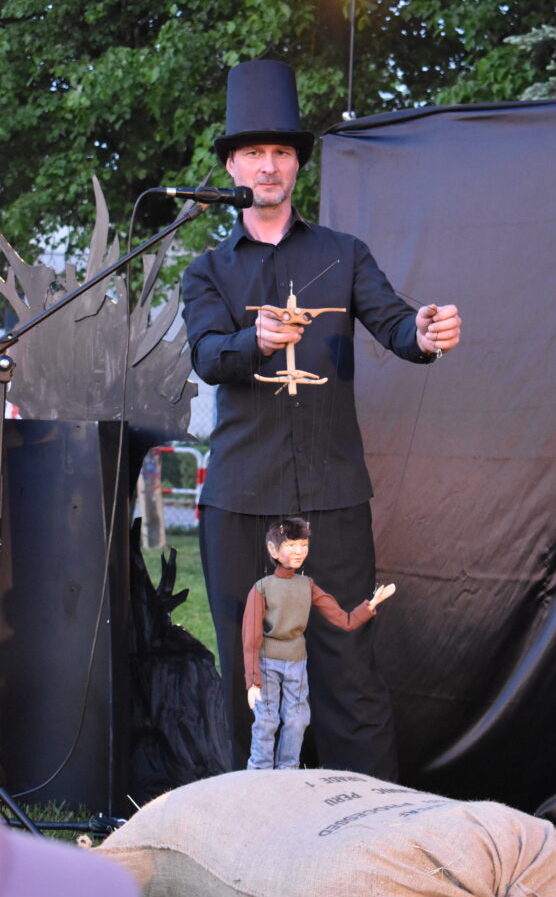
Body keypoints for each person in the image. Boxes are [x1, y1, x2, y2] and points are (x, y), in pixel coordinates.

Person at [181, 59, 461, 779]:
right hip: (241, 499)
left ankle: (364, 823)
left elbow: (397, 325)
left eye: (281, 151)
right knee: (249, 671)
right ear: (231, 165)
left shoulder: (343, 255)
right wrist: (254, 341)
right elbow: (208, 356)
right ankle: (257, 826)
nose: (267, 165)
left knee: (347, 666)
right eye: (253, 152)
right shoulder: (207, 271)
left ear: (297, 165)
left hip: (333, 499)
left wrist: (425, 333)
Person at [242, 517, 396, 770]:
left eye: (303, 545)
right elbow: (251, 637)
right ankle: (259, 771)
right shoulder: (262, 588)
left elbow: (344, 620)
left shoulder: (307, 585)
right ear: (273, 550)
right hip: (268, 662)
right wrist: (252, 680)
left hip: (297, 663)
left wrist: (371, 604)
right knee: (266, 720)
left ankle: (288, 771)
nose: (299, 551)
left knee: (297, 720)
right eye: (291, 545)